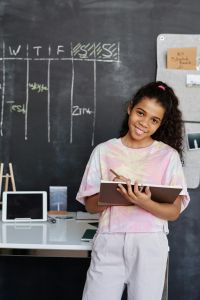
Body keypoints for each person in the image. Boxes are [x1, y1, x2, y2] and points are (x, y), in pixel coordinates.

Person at [76, 81, 190, 300]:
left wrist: (143, 201)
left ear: (161, 124)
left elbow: (174, 212)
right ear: (130, 108)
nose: (144, 123)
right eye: (141, 113)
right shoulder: (104, 151)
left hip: (149, 245)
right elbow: (90, 205)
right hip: (109, 240)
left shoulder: (168, 156)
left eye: (154, 120)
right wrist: (117, 193)